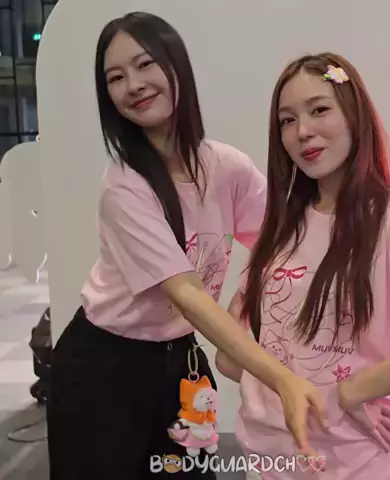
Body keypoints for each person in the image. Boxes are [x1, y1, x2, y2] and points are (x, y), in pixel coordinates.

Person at [45, 12, 327, 480]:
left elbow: (283, 242)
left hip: (181, 360)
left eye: (145, 64)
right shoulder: (124, 188)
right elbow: (188, 293)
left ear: (176, 65)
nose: (134, 85)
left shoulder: (226, 167)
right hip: (103, 367)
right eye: (116, 77)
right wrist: (280, 377)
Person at [215, 52, 390, 479]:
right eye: (287, 120)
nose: (303, 131)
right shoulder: (281, 227)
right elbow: (229, 356)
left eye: (319, 110)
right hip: (265, 464)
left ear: (354, 115)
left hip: (352, 467)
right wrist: (279, 383)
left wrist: (352, 391)